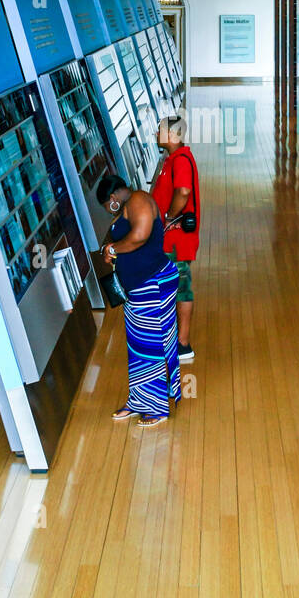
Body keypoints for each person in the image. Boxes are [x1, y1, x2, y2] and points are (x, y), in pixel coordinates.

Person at [97, 172, 181, 429]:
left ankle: (157, 408)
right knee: (138, 347)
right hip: (138, 288)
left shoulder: (138, 199)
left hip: (153, 284)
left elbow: (141, 235)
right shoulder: (127, 206)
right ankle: (139, 400)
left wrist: (112, 249)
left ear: (112, 198)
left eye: (106, 206)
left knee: (151, 347)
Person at [152, 114, 201, 362]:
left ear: (172, 135)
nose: (156, 133)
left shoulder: (180, 160)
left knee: (180, 288)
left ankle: (182, 345)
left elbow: (183, 191)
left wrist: (170, 216)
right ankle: (173, 339)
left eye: (160, 130)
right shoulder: (172, 159)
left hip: (176, 239)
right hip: (170, 237)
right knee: (171, 286)